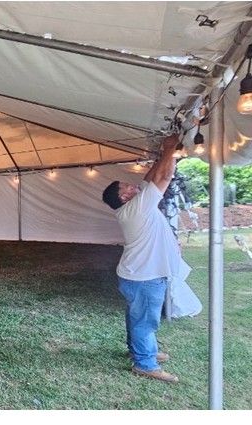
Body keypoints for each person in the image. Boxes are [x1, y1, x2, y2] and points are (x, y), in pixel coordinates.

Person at [101, 134, 191, 383]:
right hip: (144, 277)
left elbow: (151, 177)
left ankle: (140, 350)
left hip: (136, 275)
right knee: (145, 321)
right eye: (125, 188)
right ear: (123, 198)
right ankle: (145, 363)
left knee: (136, 317)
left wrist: (165, 154)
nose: (132, 186)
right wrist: (170, 148)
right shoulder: (137, 207)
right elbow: (163, 177)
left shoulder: (134, 205)